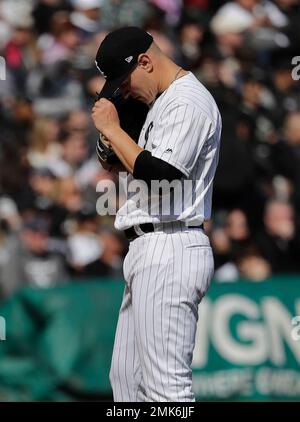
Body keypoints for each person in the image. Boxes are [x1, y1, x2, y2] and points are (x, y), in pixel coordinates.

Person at [92, 26, 222, 402]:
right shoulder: (160, 104)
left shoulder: (188, 101)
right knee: (128, 387)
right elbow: (112, 163)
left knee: (167, 391)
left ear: (145, 61)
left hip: (171, 243)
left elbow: (161, 173)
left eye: (125, 80)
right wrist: (115, 135)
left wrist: (114, 130)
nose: (124, 90)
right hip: (149, 247)